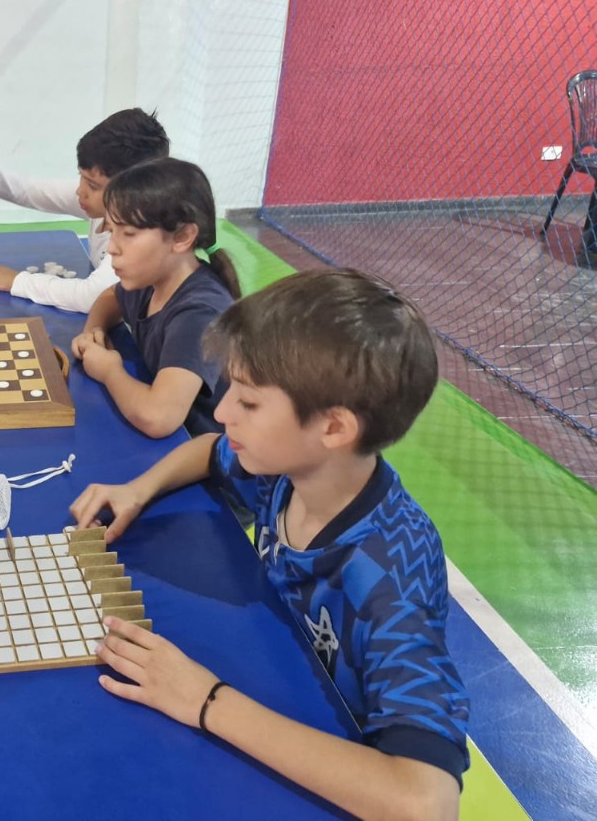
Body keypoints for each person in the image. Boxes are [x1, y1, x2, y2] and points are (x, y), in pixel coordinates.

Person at [70, 269, 469, 821]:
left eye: (249, 402)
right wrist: (139, 488)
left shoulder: (389, 574)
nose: (222, 410)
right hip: (277, 685)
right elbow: (211, 450)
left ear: (334, 428)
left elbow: (426, 803)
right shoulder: (287, 467)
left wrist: (206, 700)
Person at [0, 109, 169, 313]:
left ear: (135, 192)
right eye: (81, 177)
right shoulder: (101, 203)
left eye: (92, 185)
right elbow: (31, 191)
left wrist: (18, 281)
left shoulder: (138, 238)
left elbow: (92, 296)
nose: (80, 191)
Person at [70, 158, 240, 438]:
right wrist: (94, 330)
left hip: (213, 455)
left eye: (128, 234)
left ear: (182, 237)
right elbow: (111, 296)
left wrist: (109, 371)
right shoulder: (150, 280)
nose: (112, 248)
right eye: (112, 231)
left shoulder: (199, 313)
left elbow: (158, 418)